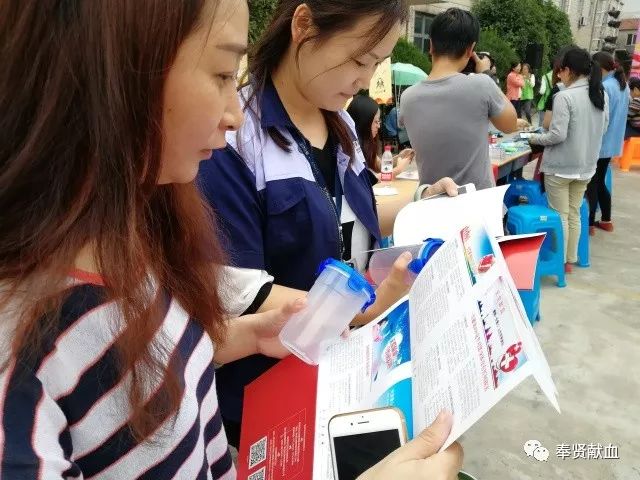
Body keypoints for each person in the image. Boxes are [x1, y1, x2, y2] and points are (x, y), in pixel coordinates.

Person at [0, 0, 464, 478]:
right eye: (223, 74)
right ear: (112, 73)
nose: (235, 114)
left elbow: (154, 370)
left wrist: (240, 336)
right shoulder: (26, 353)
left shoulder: (133, 245)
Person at [197, 0, 460, 449]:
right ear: (303, 25)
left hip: (342, 371)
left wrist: (423, 200)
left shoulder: (341, 125)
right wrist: (362, 308)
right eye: (359, 60)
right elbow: (237, 287)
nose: (365, 79)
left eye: (376, 64)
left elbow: (352, 212)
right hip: (267, 391)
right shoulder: (234, 134)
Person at [399, 8, 518, 192]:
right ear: (470, 49)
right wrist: (486, 73)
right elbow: (510, 125)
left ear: (431, 45)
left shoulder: (407, 97)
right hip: (476, 203)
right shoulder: (482, 85)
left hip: (431, 201)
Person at [528, 47, 608, 273]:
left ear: (569, 70)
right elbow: (603, 128)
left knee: (560, 215)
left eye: (560, 70)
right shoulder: (601, 94)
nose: (558, 74)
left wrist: (533, 138)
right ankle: (569, 259)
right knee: (574, 214)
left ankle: (560, 261)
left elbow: (557, 135)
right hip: (586, 166)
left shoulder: (564, 96)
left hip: (561, 167)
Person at [586, 52, 629, 235]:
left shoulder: (605, 86)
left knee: (593, 183)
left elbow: (600, 118)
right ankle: (606, 220)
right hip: (612, 143)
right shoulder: (622, 85)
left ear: (598, 67)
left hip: (601, 142)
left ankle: (589, 224)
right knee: (600, 181)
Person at [347, 94, 415, 182]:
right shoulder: (349, 146)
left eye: (379, 121)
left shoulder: (366, 143)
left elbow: (379, 166)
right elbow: (365, 181)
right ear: (364, 122)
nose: (378, 126)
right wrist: (397, 170)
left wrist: (400, 156)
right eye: (376, 121)